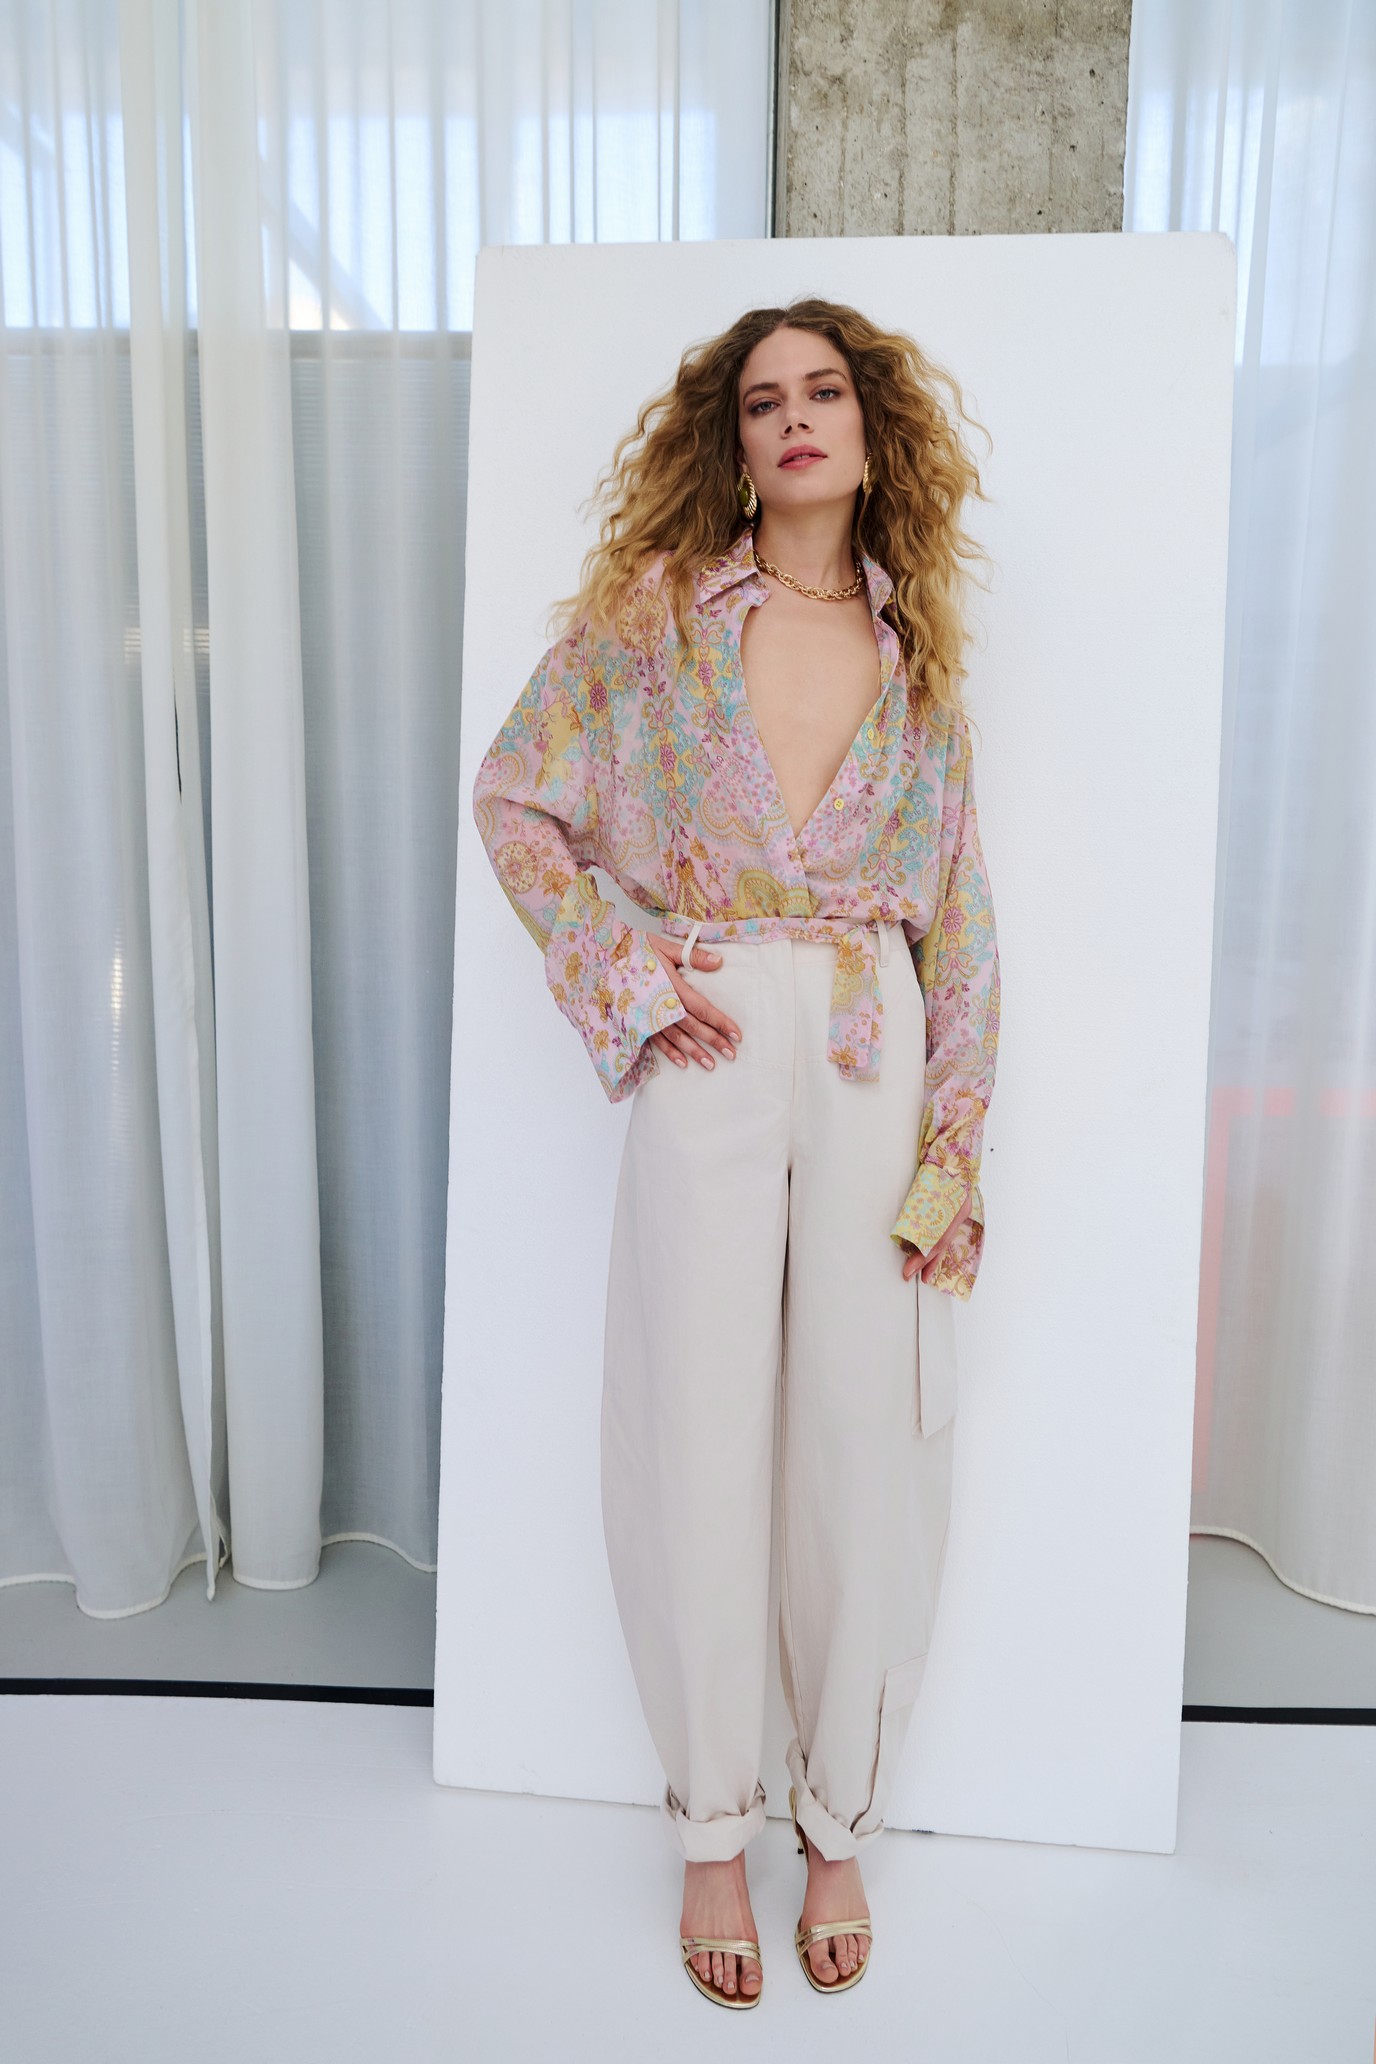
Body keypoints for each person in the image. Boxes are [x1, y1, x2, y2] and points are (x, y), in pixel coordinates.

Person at [470, 296, 1000, 2008]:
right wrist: (630, 982)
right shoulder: (653, 620)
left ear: (871, 430)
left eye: (823, 391)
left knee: (862, 1445)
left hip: (868, 1042)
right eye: (763, 400)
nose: (794, 419)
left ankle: (834, 1818)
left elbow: (959, 924)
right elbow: (515, 797)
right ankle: (713, 1825)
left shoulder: (920, 661)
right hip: (705, 1040)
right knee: (695, 1432)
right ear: (735, 439)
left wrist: (954, 1151)